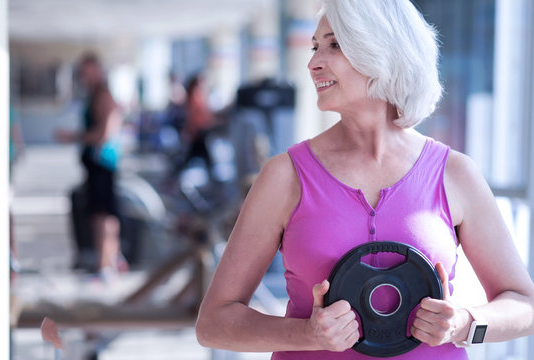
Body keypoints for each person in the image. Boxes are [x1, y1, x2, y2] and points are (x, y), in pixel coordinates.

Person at [195, 0, 534, 359]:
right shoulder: (285, 176)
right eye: (315, 46)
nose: (313, 63)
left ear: (383, 49)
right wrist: (308, 334)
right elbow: (214, 323)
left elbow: (524, 305)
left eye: (334, 45)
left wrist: (465, 323)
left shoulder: (455, 174)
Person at [56, 53, 127, 280]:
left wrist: (73, 137)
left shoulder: (103, 95)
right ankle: (110, 260)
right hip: (100, 163)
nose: (84, 77)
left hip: (101, 163)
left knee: (102, 215)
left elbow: (104, 134)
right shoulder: (97, 94)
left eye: (88, 72)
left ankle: (104, 264)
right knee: (104, 214)